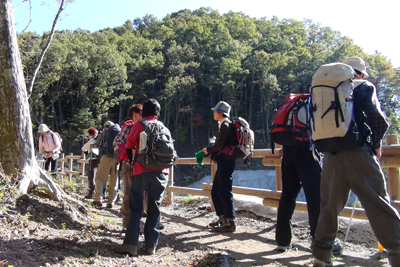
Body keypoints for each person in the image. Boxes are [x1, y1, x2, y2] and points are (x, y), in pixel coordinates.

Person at [312, 57, 400, 267]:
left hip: (331, 154)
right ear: (359, 73)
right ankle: (397, 253)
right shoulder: (363, 86)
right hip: (358, 152)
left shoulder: (327, 87)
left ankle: (321, 257)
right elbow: (378, 119)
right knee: (378, 203)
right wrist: (376, 145)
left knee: (329, 206)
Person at [115, 99, 169, 256]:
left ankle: (131, 244)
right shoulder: (163, 127)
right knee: (154, 208)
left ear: (144, 111)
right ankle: (151, 246)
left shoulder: (139, 125)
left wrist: (132, 164)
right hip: (162, 172)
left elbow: (130, 145)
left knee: (136, 206)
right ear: (158, 112)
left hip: (141, 171)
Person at [200, 101, 240, 232]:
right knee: (216, 190)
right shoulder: (224, 124)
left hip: (227, 161)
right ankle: (222, 219)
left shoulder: (226, 125)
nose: (213, 113)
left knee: (224, 190)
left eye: (215, 111)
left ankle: (230, 222)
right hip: (225, 160)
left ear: (220, 113)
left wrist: (207, 150)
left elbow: (219, 146)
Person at [113, 104, 143, 230]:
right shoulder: (129, 127)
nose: (136, 118)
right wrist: (128, 150)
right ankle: (126, 222)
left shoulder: (147, 128)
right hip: (127, 165)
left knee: (142, 194)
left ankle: (138, 223)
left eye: (139, 115)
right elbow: (117, 141)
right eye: (134, 116)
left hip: (142, 166)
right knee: (128, 193)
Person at [92, 121, 120, 209]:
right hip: (116, 158)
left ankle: (98, 200)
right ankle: (111, 201)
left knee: (100, 178)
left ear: (105, 127)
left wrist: (92, 145)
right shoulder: (119, 133)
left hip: (105, 157)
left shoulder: (103, 133)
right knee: (114, 180)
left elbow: (97, 145)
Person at [82, 127, 100, 199]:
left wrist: (87, 154)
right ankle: (100, 193)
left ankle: (91, 193)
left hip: (93, 159)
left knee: (92, 176)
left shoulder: (91, 140)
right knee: (100, 177)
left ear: (90, 134)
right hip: (101, 159)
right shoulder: (100, 139)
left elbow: (83, 148)